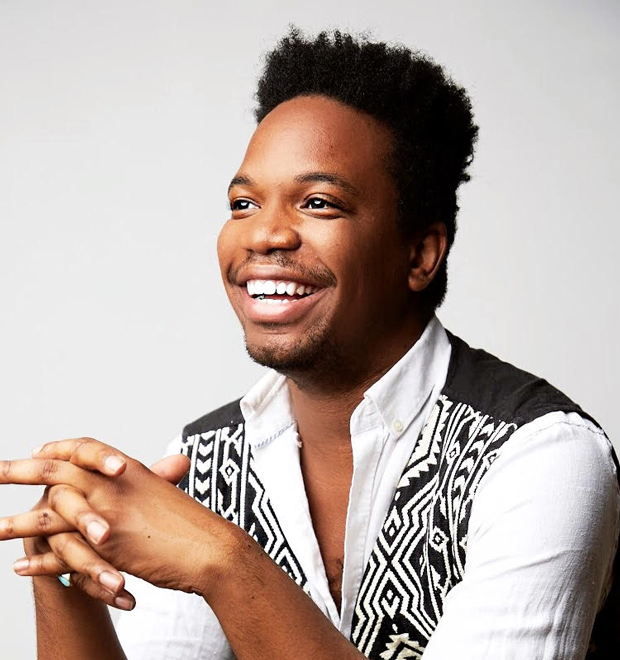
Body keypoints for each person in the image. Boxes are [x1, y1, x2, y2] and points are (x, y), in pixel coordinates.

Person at [1, 28, 619, 660]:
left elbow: (218, 559)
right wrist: (59, 568)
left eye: (319, 203)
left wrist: (224, 560)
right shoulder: (204, 462)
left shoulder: (540, 458)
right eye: (243, 203)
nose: (264, 234)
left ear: (419, 255)